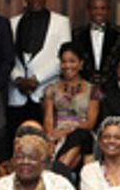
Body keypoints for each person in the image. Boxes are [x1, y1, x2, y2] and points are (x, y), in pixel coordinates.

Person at [8, 0, 72, 130]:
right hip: (17, 95)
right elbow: (6, 56)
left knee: (46, 139)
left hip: (47, 92)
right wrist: (17, 79)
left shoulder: (61, 22)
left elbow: (64, 58)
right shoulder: (12, 23)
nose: (36, 0)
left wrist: (36, 79)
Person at [41, 43, 100, 172]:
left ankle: (57, 171)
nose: (68, 66)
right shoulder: (51, 89)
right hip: (57, 134)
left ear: (81, 64)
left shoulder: (93, 90)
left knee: (79, 136)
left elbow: (90, 123)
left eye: (72, 61)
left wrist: (67, 130)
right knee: (74, 154)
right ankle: (62, 170)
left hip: (83, 132)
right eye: (64, 62)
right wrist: (51, 138)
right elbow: (49, 119)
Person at [73, 0, 120, 88]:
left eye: (103, 8)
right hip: (83, 90)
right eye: (95, 8)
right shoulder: (76, 35)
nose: (99, 12)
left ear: (109, 10)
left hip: (114, 90)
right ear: (88, 10)